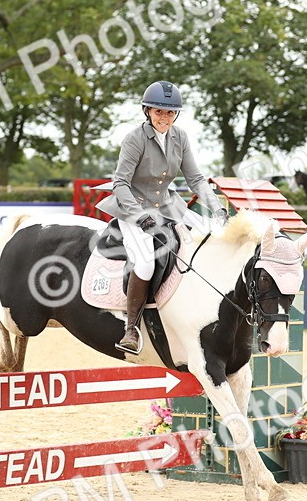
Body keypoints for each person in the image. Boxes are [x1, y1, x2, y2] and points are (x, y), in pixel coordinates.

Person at [96, 80, 228, 354]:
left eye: (170, 113)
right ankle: (131, 329)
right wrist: (139, 216)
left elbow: (196, 178)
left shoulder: (180, 137)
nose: (164, 118)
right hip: (133, 208)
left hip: (168, 205)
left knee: (207, 235)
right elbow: (120, 183)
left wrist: (216, 207)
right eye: (159, 112)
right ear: (147, 111)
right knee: (144, 262)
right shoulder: (135, 139)